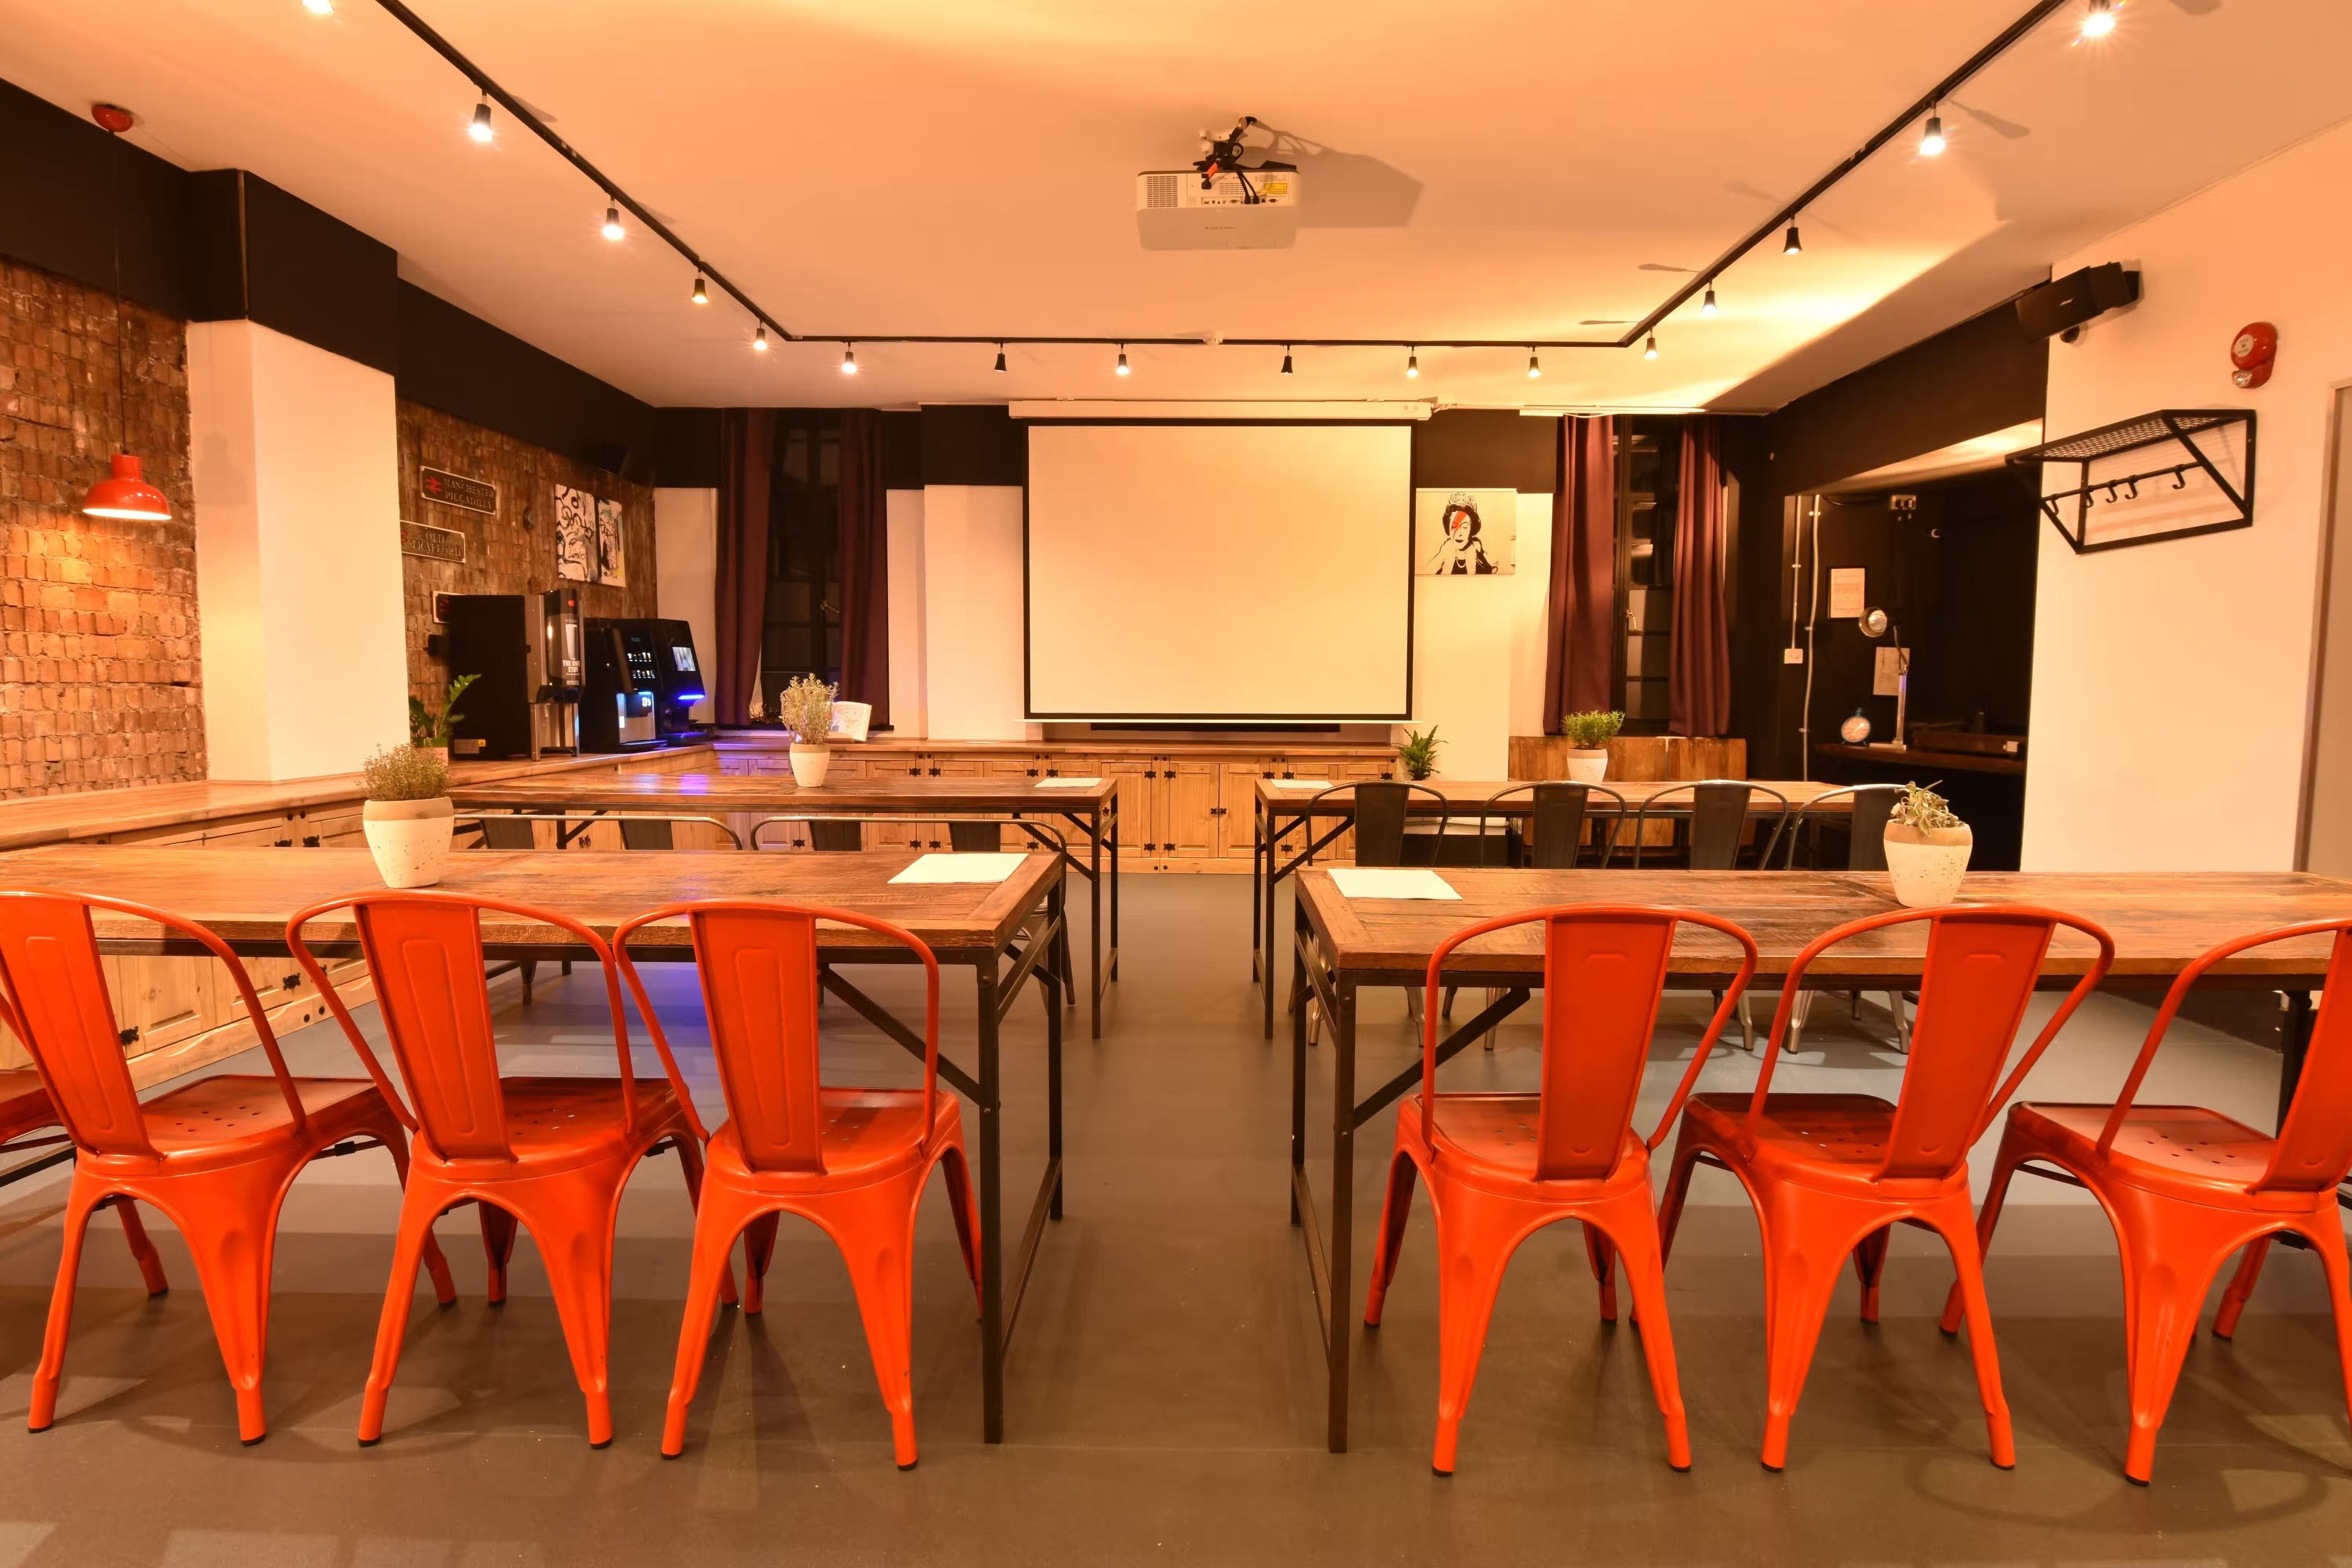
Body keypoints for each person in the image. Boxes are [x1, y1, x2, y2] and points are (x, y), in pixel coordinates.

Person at [1424, 492, 1495, 575]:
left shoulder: (1481, 562)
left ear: (1471, 530)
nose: (1459, 533)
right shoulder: (1443, 556)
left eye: (1465, 527)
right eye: (1454, 527)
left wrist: (1481, 555)